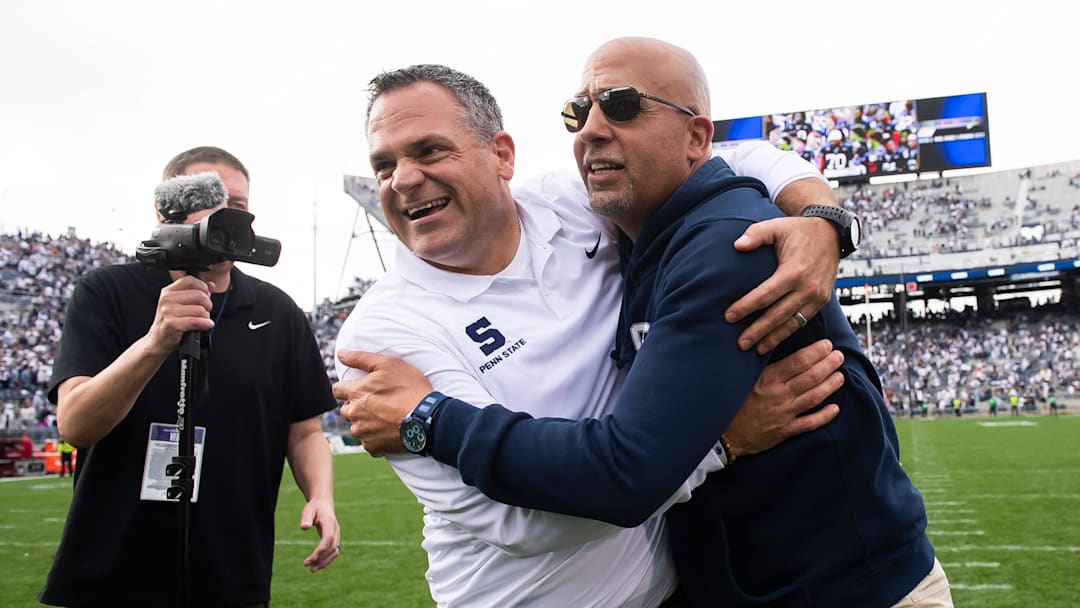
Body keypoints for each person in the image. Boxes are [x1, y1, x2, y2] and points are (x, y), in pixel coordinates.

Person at [341, 38, 951, 607]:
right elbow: (522, 521)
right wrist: (718, 443)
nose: (404, 179)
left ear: (502, 155)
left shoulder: (588, 209)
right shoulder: (384, 336)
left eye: (429, 150)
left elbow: (743, 155)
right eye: (384, 164)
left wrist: (823, 220)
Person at [39, 146, 340, 607]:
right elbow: (75, 424)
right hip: (112, 573)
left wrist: (320, 495)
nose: (224, 213)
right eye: (207, 196)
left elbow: (304, 431)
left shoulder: (279, 312)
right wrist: (156, 341)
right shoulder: (107, 292)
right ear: (165, 208)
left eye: (237, 205)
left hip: (233, 572)